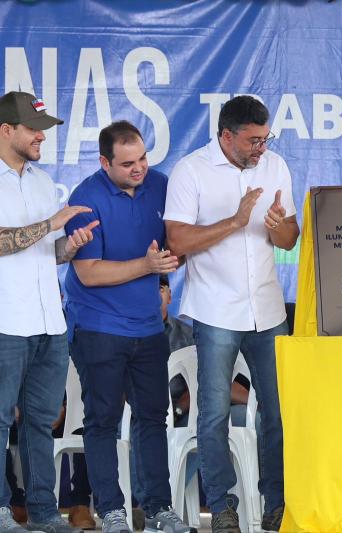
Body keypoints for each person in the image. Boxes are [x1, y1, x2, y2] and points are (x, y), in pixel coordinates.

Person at [164, 95, 299, 533]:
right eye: (253, 141)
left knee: (278, 413)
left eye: (265, 138)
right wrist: (235, 221)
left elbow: (289, 240)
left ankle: (276, 504)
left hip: (268, 308)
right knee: (214, 413)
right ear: (226, 135)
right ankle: (221, 507)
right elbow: (179, 241)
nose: (261, 148)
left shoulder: (275, 166)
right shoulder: (191, 171)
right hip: (216, 310)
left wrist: (281, 227)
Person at [64, 120, 193, 533]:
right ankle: (112, 511)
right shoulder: (86, 199)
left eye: (142, 159)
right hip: (99, 326)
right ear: (105, 162)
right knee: (102, 419)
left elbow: (168, 247)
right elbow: (88, 273)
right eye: (126, 164)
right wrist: (148, 267)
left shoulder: (161, 185)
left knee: (153, 417)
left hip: (148, 329)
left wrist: (162, 282)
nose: (138, 169)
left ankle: (157, 508)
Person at [0, 91, 98, 533]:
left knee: (40, 421)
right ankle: (2, 509)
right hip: (5, 321)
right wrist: (52, 225)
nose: (43, 136)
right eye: (33, 129)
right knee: (1, 421)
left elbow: (42, 251)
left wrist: (68, 247)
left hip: (48, 322)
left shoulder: (41, 181)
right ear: (7, 130)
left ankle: (42, 510)